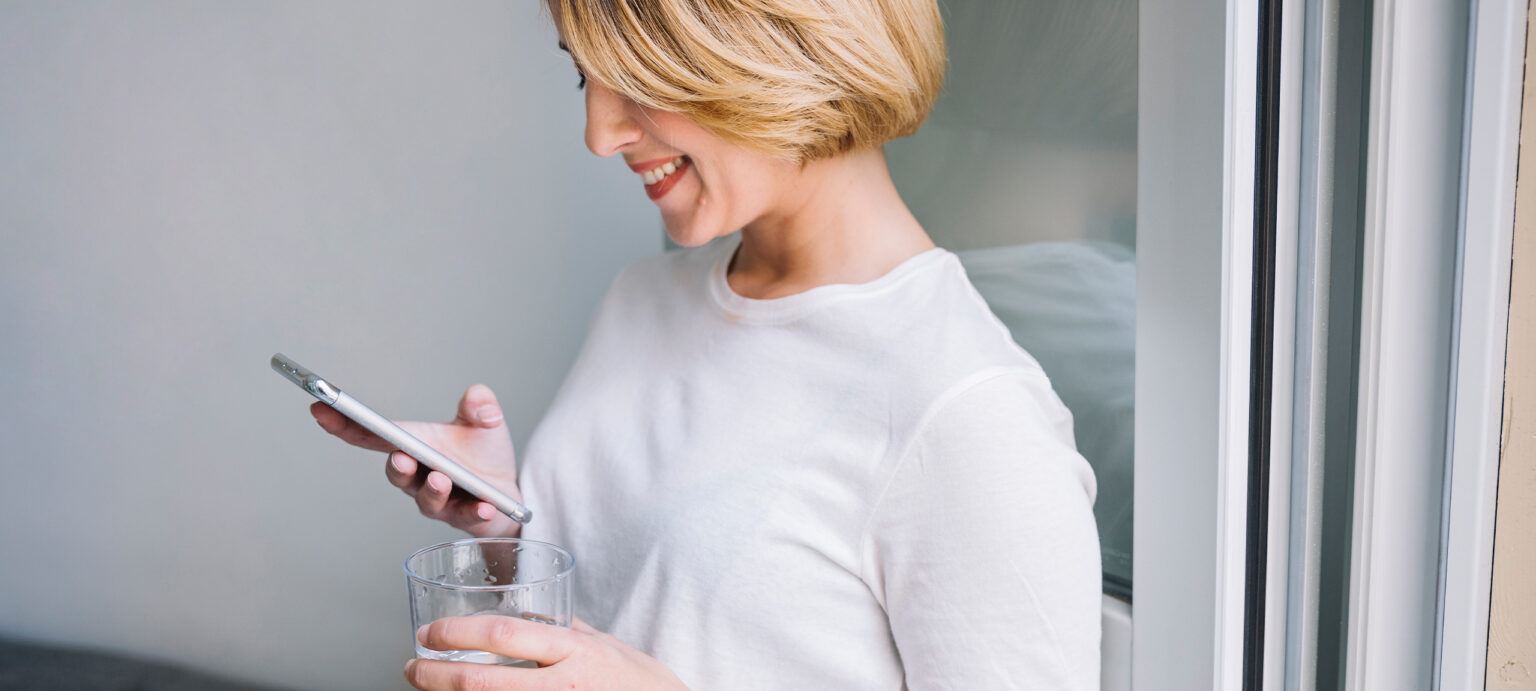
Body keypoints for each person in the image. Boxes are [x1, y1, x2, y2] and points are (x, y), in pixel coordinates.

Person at [312, 0, 1102, 688]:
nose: (598, 133)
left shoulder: (967, 413)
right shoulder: (645, 300)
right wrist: (510, 531)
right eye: (585, 75)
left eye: (642, 75)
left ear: (785, 42)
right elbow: (650, 611)